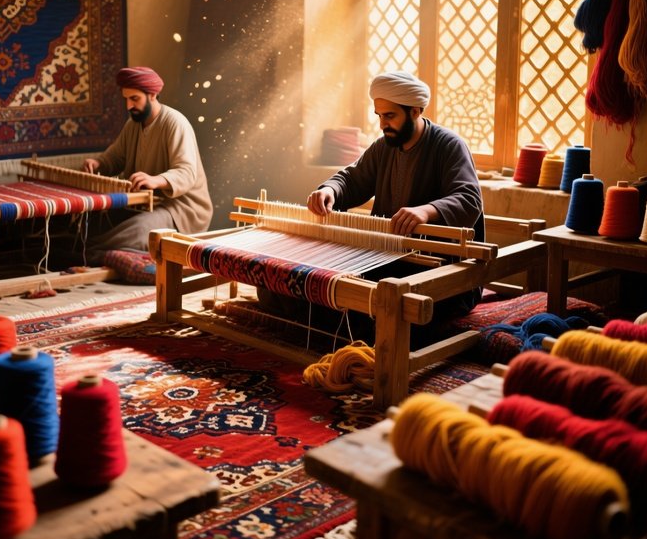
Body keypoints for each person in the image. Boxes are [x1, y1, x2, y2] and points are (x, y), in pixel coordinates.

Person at [258, 70, 484, 344]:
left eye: (389, 116)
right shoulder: (384, 148)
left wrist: (426, 210)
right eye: (379, 115)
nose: (382, 124)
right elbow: (352, 178)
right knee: (290, 285)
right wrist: (329, 190)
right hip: (388, 255)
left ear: (414, 111)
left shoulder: (449, 146)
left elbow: (469, 197)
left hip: (433, 267)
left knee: (366, 310)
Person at [81, 66, 213, 265]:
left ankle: (91, 254)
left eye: (134, 99)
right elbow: (116, 158)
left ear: (153, 94)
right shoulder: (133, 124)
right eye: (126, 99)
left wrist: (156, 180)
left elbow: (186, 173)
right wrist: (98, 163)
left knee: (139, 231)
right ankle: (95, 252)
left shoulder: (175, 123)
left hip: (180, 209)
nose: (129, 105)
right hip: (146, 204)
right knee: (92, 222)